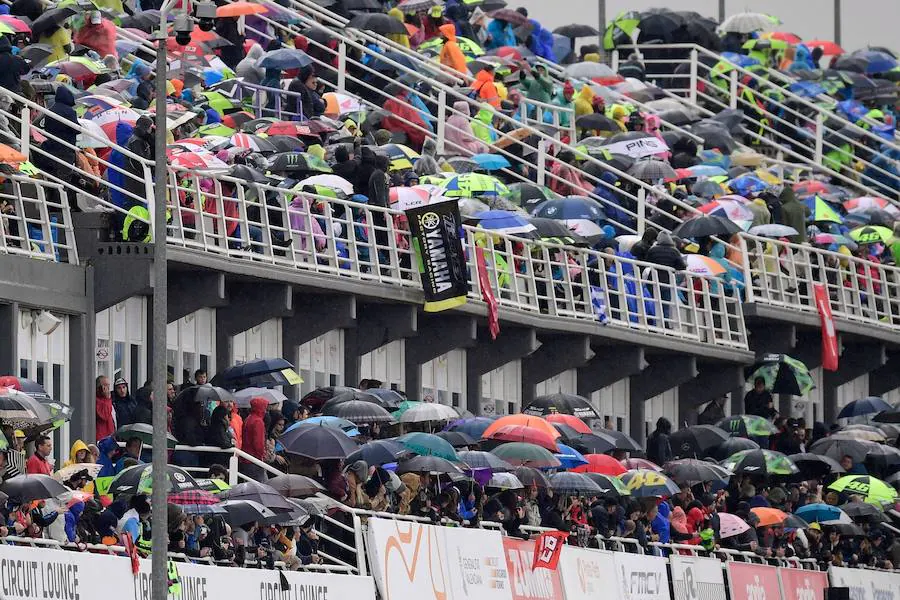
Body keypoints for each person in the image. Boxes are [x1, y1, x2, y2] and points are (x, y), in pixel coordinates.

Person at [241, 397, 268, 482]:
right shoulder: (258, 421)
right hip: (254, 459)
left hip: (246, 457)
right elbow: (258, 443)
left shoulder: (248, 418)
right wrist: (262, 455)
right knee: (261, 484)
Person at [95, 375, 116, 441]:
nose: (108, 388)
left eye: (108, 385)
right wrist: (107, 399)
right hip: (102, 438)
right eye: (105, 385)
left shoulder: (108, 400)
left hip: (110, 436)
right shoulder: (97, 400)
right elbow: (104, 415)